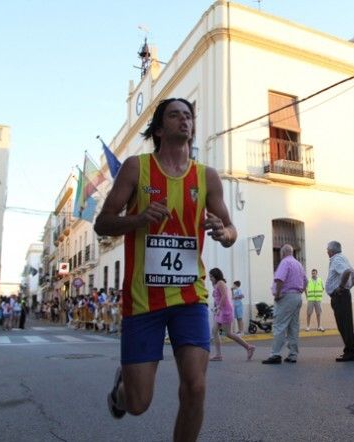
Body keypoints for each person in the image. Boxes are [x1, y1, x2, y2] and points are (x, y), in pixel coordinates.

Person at [94, 97, 237, 441]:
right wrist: (138, 219)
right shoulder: (136, 168)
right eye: (174, 115)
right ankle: (121, 391)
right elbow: (103, 223)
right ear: (159, 129)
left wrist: (223, 232)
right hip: (144, 299)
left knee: (196, 386)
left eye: (188, 115)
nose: (184, 120)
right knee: (138, 403)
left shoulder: (207, 177)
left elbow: (231, 230)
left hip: (190, 296)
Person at [262, 244, 307, 364]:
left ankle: (275, 354)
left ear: (283, 252)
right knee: (293, 327)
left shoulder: (285, 262)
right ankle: (293, 354)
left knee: (279, 326)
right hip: (297, 297)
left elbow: (279, 279)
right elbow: (306, 281)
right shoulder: (298, 264)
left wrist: (277, 295)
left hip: (286, 297)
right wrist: (299, 292)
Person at [208, 268, 255, 361]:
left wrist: (219, 307)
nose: (210, 278)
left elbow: (224, 296)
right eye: (210, 277)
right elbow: (218, 297)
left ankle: (249, 347)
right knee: (214, 331)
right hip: (220, 311)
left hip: (225, 310)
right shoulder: (216, 284)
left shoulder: (220, 283)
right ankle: (218, 355)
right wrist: (216, 307)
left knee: (228, 333)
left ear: (216, 276)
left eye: (211, 276)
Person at [325, 241, 354, 362]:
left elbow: (347, 272)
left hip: (340, 296)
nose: (327, 251)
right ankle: (349, 351)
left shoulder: (337, 259)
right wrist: (349, 285)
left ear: (332, 250)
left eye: (328, 249)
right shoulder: (343, 258)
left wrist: (341, 287)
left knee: (344, 324)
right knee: (345, 324)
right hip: (343, 295)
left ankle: (349, 352)